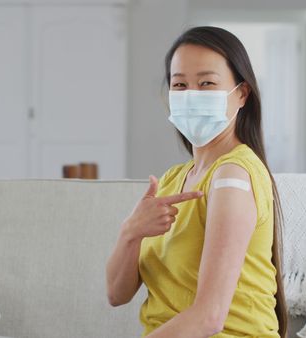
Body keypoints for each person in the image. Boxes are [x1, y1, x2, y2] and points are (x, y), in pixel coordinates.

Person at [105, 26, 287, 338]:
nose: (192, 95)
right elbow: (116, 295)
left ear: (241, 94)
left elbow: (209, 318)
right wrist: (130, 232)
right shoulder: (172, 180)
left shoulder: (233, 175)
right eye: (180, 85)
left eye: (206, 83)